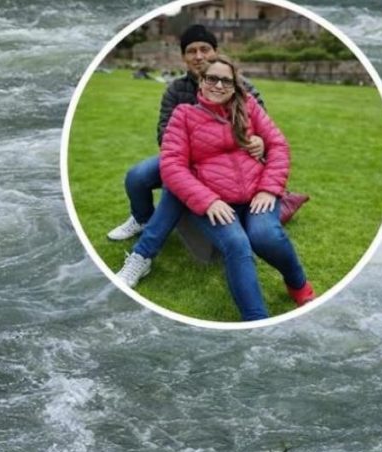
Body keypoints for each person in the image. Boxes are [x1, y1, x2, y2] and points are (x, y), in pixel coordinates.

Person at [129, 56, 314, 321]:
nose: (218, 85)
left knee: (266, 236)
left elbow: (279, 146)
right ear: (201, 83)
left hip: (257, 193)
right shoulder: (184, 115)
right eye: (211, 78)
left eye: (225, 80)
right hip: (214, 200)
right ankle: (256, 321)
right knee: (237, 244)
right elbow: (172, 166)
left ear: (235, 84)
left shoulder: (248, 106)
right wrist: (208, 201)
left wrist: (269, 189)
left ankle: (298, 284)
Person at [106, 25, 265, 244]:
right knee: (137, 176)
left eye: (205, 49)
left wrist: (259, 140)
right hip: (182, 157)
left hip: (226, 162)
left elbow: (262, 124)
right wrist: (189, 158)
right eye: (191, 51)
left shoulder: (241, 86)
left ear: (215, 52)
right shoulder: (175, 89)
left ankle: (147, 250)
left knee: (177, 186)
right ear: (183, 57)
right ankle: (142, 219)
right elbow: (164, 132)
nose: (199, 56)